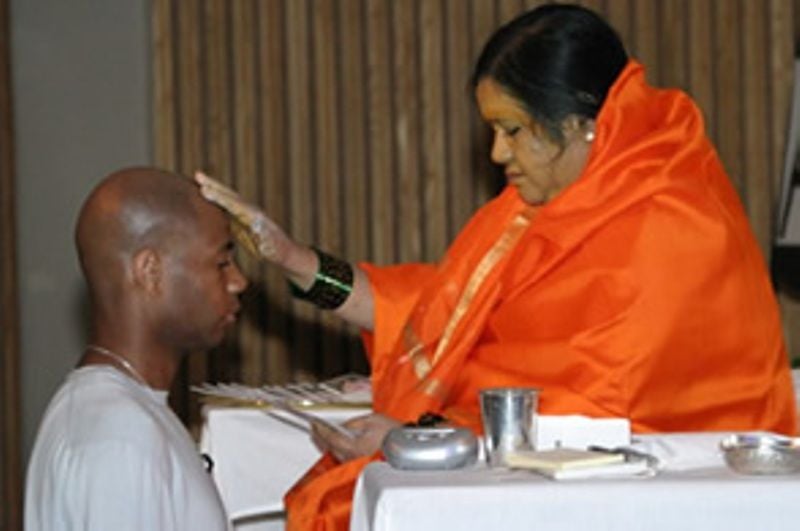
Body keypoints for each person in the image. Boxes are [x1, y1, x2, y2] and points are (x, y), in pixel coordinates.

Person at [194, 4, 798, 529]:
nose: (496, 153)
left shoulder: (669, 222)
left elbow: (601, 414)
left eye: (511, 130)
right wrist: (292, 258)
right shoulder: (538, 205)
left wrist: (421, 438)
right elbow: (442, 314)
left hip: (653, 499)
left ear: (582, 125)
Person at [25, 167, 247, 530]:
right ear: (150, 271)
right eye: (221, 263)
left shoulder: (130, 414)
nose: (239, 281)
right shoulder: (119, 439)